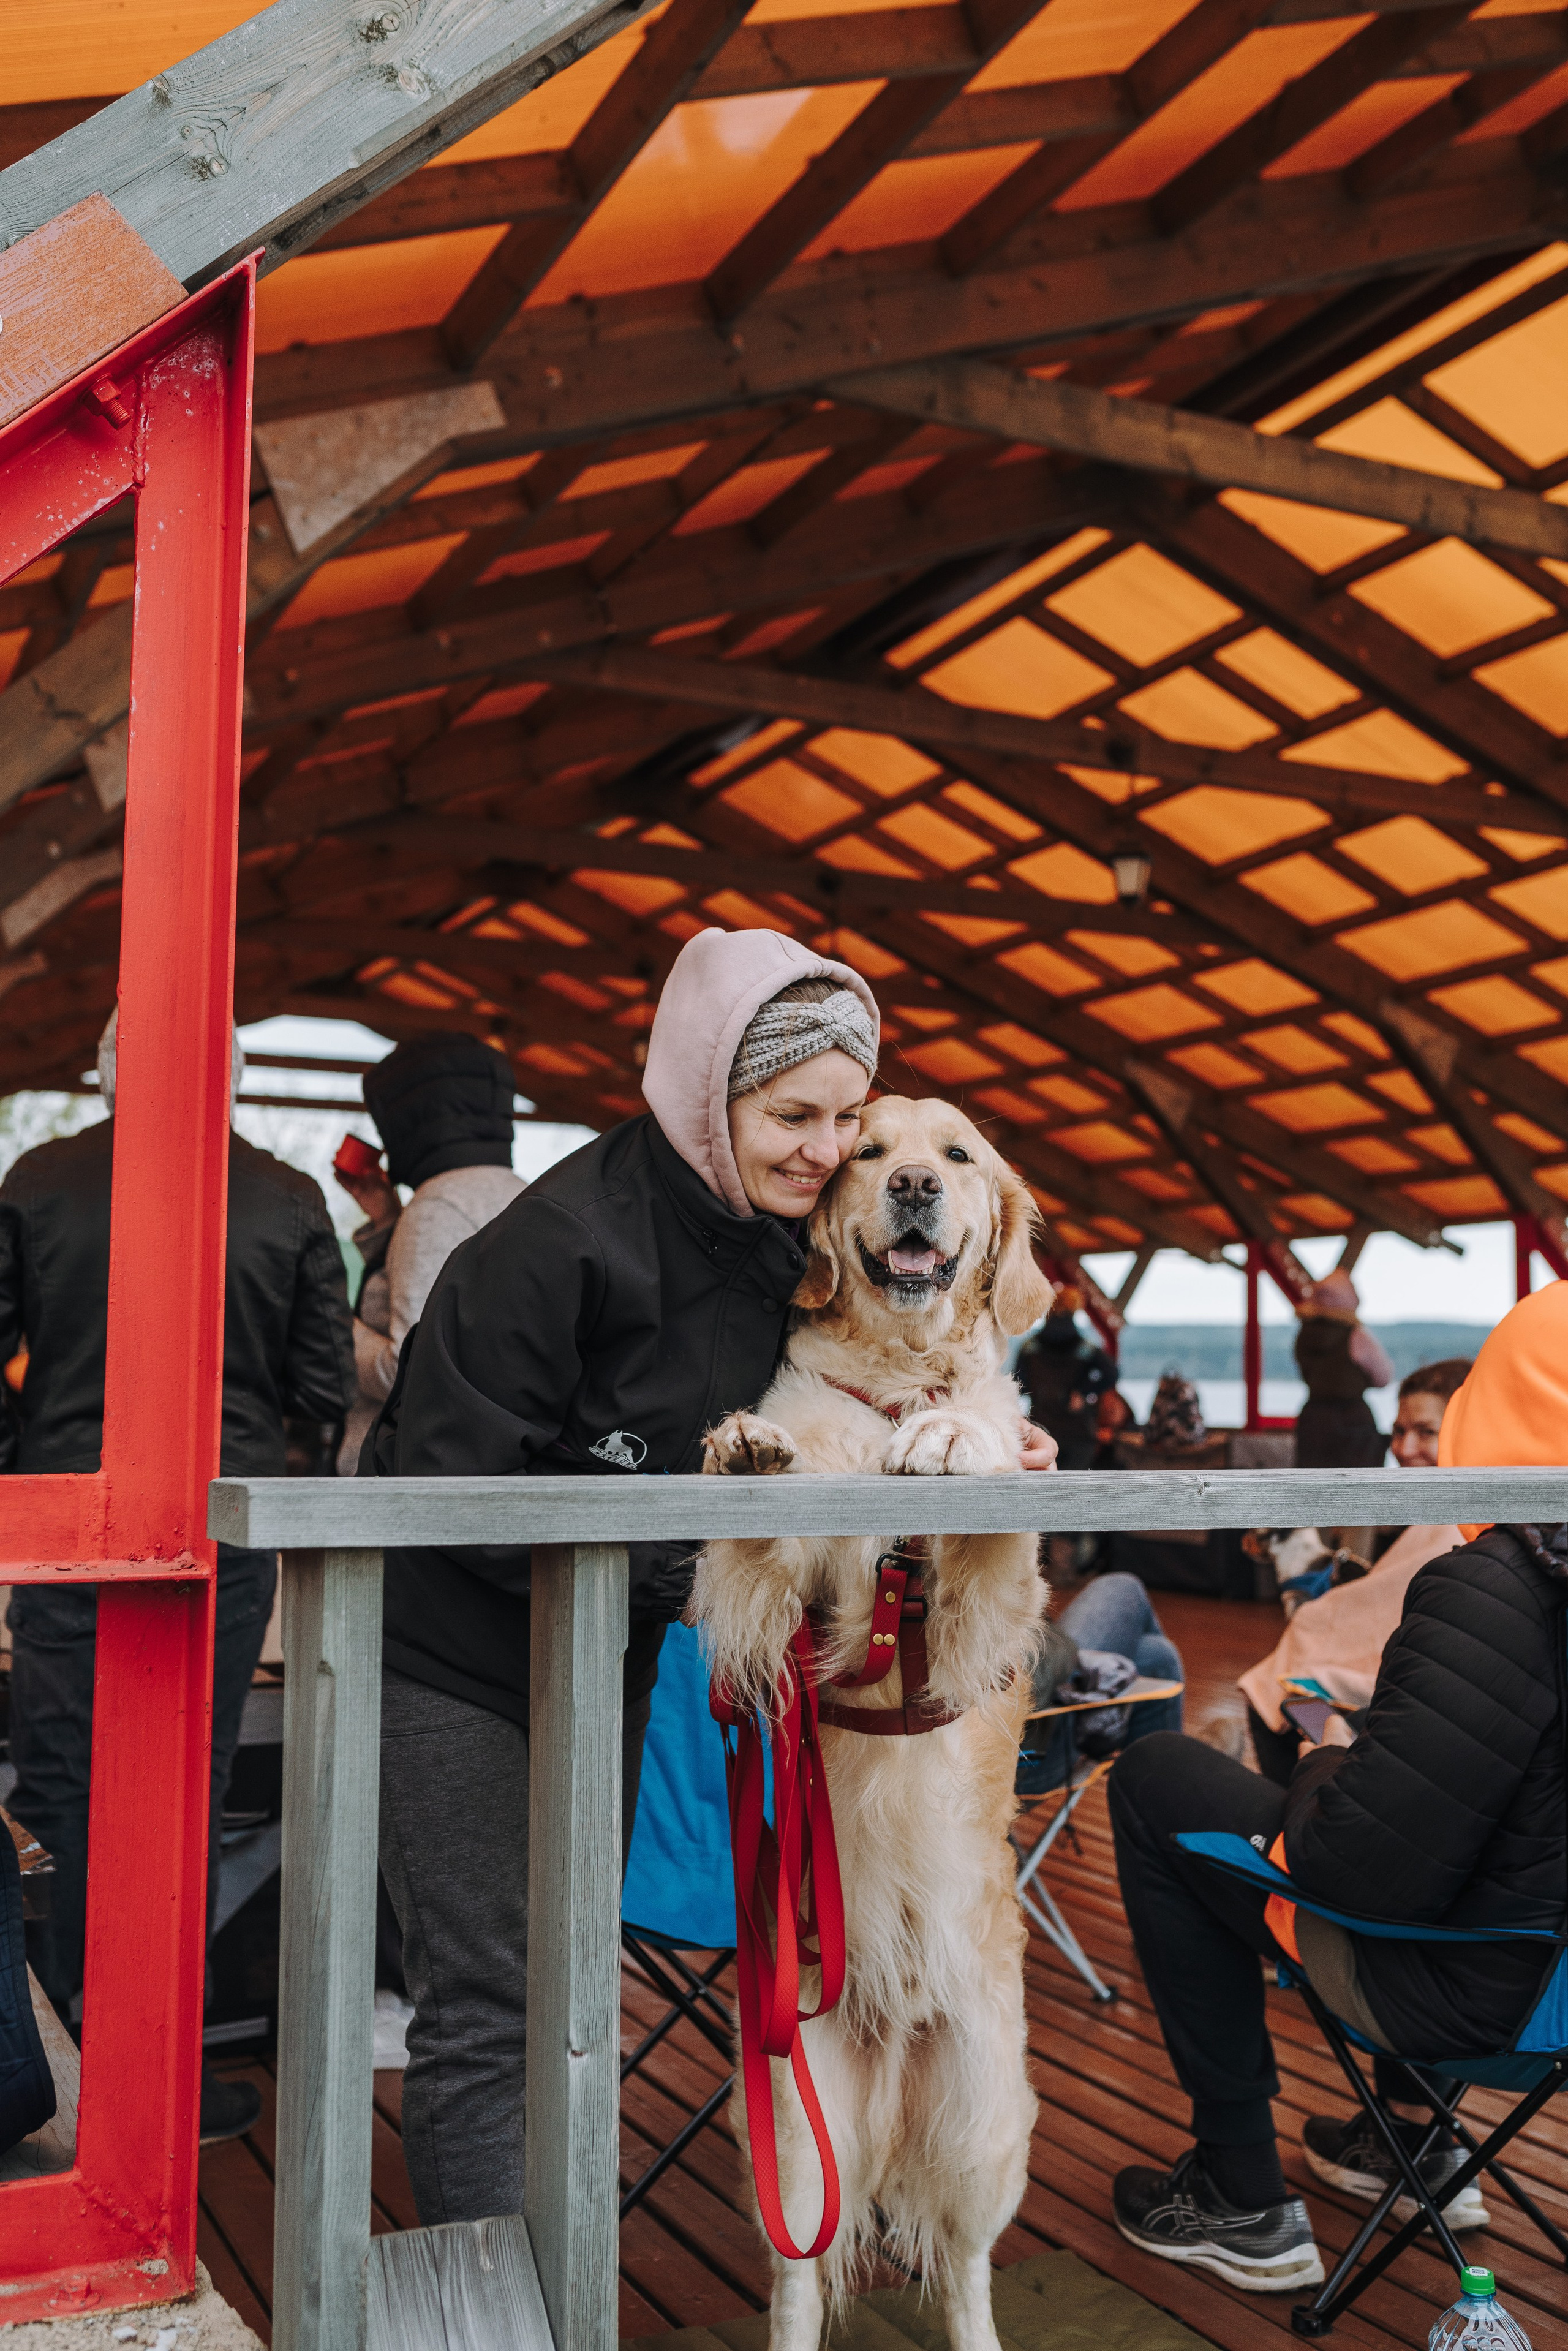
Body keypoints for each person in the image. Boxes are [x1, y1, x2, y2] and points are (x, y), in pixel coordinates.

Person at [1105, 1298, 1568, 2291]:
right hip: (1548, 1971)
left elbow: (1355, 1872)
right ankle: (1410, 2143)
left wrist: (1332, 1747)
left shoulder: (1491, 1586)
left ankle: (1240, 2191)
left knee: (1155, 1778)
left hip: (1471, 1994)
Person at [0, 1012, 354, 2142]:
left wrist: (34, 1448)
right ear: (232, 1081)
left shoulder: (39, 1177)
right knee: (186, 1786)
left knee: (57, 1781)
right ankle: (169, 2081)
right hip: (221, 1522)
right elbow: (323, 1384)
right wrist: (257, 1472)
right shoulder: (289, 1195)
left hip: (66, 1512)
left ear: (104, 1069)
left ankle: (49, 2060)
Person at [1239, 1359, 1472, 1786]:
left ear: (1466, 1430)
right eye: (1399, 1432)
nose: (1403, 1449)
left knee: (1270, 1693)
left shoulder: (1454, 1529)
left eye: (1426, 1432)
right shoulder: (1438, 1520)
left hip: (1386, 1704)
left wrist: (1318, 1619)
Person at [333, 1033, 526, 1472]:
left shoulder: (437, 1207)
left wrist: (338, 1327)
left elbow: (408, 1371)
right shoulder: (526, 1193)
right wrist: (388, 1221)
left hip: (400, 1472)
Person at [1019, 1574, 1183, 1797]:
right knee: (1123, 1586)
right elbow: (1028, 1670)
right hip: (1022, 1762)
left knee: (1157, 1656)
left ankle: (1179, 1778)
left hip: (1023, 1747)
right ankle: (1178, 1787)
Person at [1292, 1269, 1393, 1470]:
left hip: (1313, 1419)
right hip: (1353, 1420)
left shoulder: (1303, 1335)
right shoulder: (1356, 1336)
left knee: (1314, 1480)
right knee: (1360, 1484)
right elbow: (1383, 1377)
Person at [1016, 1285, 1115, 1472]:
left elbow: (1020, 1385)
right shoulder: (1086, 1349)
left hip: (1042, 1427)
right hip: (1078, 1431)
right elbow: (1112, 1373)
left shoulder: (1029, 1348)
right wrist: (1083, 1391)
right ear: (1076, 1309)